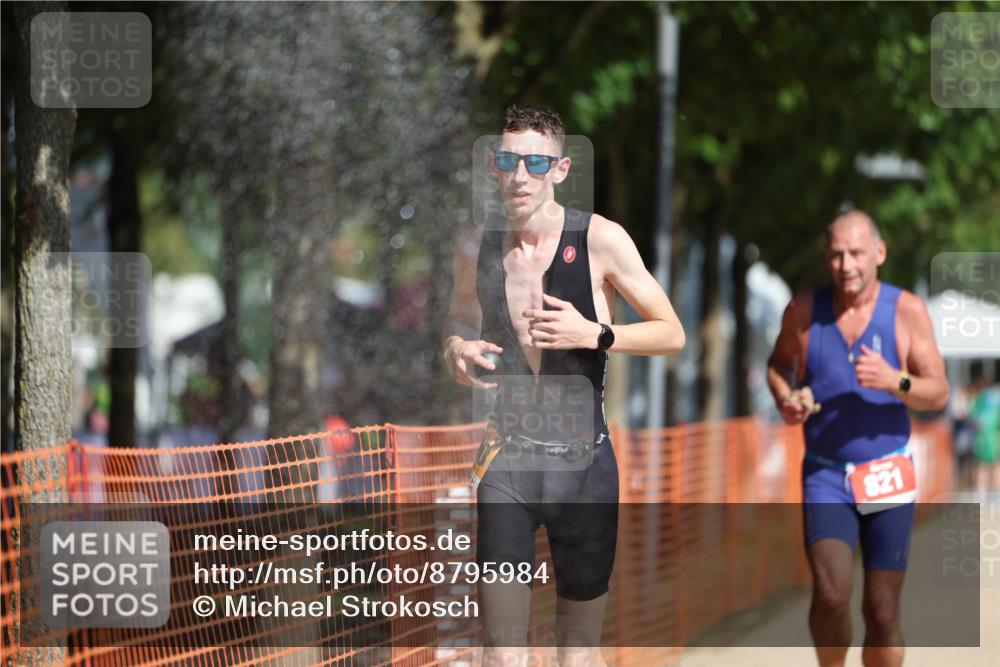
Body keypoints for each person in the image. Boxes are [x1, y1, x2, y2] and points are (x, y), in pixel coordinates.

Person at [443, 104, 684, 666]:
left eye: (534, 162)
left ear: (560, 169)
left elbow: (672, 333)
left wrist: (595, 333)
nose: (519, 175)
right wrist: (457, 348)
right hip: (508, 465)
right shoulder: (475, 246)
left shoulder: (600, 239)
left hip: (584, 469)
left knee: (576, 653)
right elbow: (455, 322)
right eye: (507, 160)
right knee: (504, 656)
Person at [766, 209, 949, 667]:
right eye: (836, 255)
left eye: (856, 254)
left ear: (879, 254)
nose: (846, 265)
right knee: (831, 593)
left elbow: (939, 391)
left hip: (887, 473)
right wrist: (787, 398)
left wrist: (896, 382)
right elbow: (777, 365)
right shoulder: (805, 311)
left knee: (881, 610)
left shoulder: (906, 311)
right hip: (826, 475)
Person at [968, 374, 1000, 496]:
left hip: (989, 440)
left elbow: (973, 420)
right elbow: (973, 420)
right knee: (985, 466)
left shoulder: (982, 402)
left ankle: (987, 493)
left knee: (988, 467)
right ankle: (985, 492)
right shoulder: (982, 403)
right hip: (985, 440)